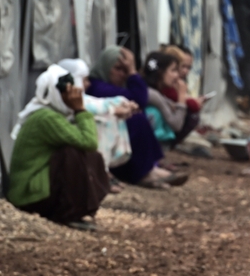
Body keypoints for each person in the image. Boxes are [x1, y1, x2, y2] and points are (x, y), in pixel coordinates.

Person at [8, 65, 109, 230]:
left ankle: (72, 210)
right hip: (28, 195)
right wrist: (80, 109)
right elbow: (89, 141)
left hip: (33, 191)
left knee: (88, 156)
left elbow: (89, 146)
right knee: (71, 154)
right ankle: (67, 214)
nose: (72, 96)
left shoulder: (49, 114)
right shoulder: (46, 118)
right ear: (54, 93)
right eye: (66, 92)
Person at [86, 46, 186, 189]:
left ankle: (149, 169)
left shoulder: (114, 85)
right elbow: (140, 98)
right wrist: (132, 71)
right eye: (118, 69)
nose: (122, 74)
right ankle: (143, 173)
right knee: (135, 118)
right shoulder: (97, 86)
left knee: (138, 115)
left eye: (125, 70)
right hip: (100, 136)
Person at [57, 58, 136, 194]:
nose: (88, 84)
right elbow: (94, 106)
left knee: (107, 116)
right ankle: (100, 172)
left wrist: (122, 104)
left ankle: (101, 171)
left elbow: (98, 103)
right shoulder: (62, 98)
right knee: (102, 121)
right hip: (66, 147)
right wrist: (116, 109)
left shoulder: (78, 97)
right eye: (84, 79)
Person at [143, 52, 188, 145]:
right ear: (160, 72)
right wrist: (182, 96)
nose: (177, 76)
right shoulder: (152, 94)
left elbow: (166, 102)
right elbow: (176, 124)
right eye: (173, 70)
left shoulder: (152, 91)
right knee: (154, 113)